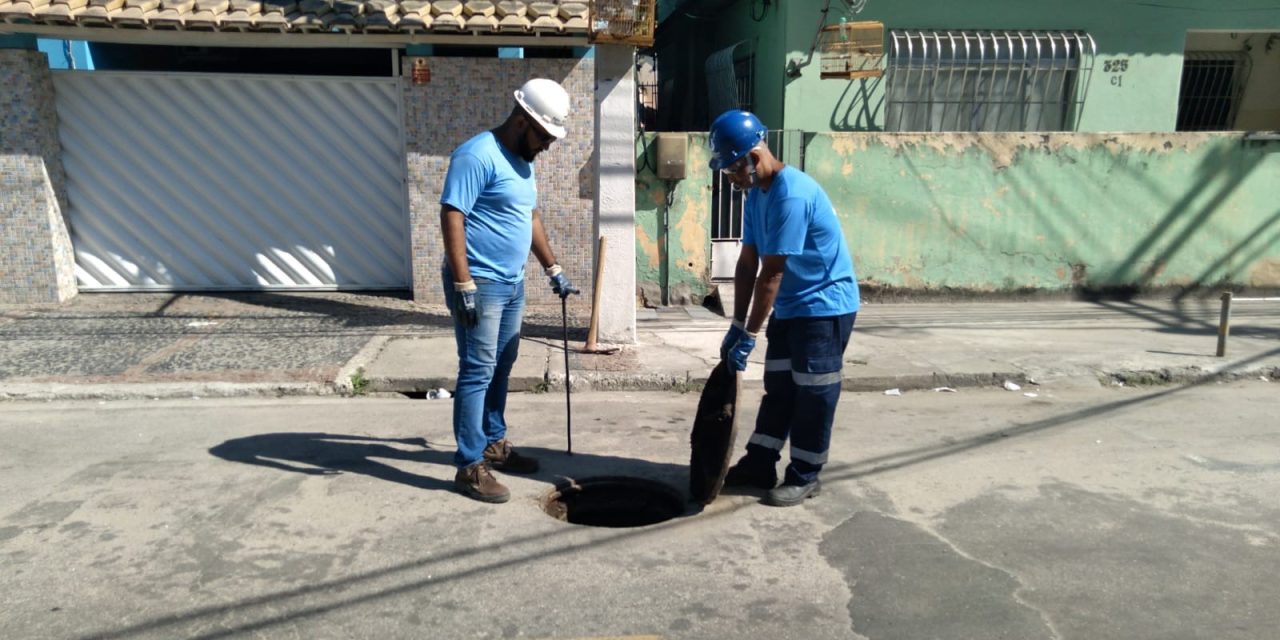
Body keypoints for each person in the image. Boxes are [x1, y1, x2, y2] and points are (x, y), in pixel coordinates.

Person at [710, 109, 860, 507]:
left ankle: (806, 474)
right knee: (779, 388)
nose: (732, 179)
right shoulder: (757, 196)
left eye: (733, 171)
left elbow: (771, 274)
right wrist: (737, 325)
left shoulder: (790, 194)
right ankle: (760, 463)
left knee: (813, 395)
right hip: (791, 307)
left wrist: (752, 335)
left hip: (825, 307)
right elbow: (747, 265)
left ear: (754, 158)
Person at [439, 78, 579, 503]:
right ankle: (469, 464)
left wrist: (552, 267)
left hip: (512, 283)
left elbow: (530, 217)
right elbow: (452, 215)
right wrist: (463, 281)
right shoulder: (477, 155)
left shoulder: (524, 161)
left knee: (502, 363)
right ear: (522, 121)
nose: (548, 146)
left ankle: (493, 442)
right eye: (545, 136)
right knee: (478, 369)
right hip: (480, 285)